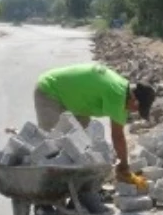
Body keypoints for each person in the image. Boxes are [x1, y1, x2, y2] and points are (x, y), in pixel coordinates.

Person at [34, 62, 155, 190]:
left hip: (74, 101)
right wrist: (124, 169)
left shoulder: (123, 89)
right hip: (49, 90)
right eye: (136, 109)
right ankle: (45, 194)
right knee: (52, 147)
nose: (133, 112)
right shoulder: (117, 94)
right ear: (134, 100)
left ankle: (78, 188)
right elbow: (118, 136)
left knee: (82, 147)